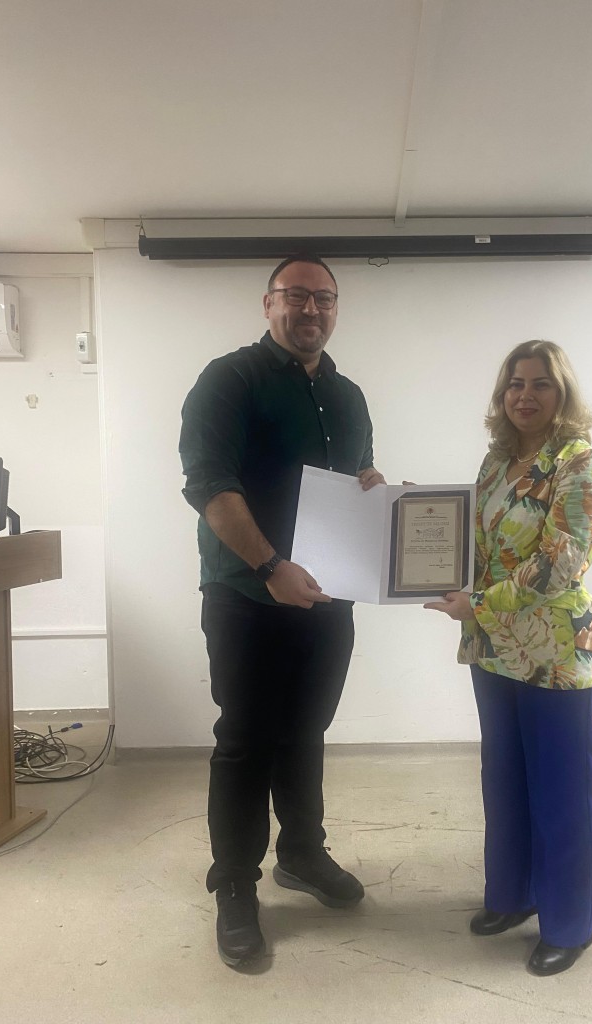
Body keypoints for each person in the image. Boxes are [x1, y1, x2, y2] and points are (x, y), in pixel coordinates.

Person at [179, 255, 385, 968]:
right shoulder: (229, 379)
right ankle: (236, 883)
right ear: (268, 303)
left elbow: (354, 480)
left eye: (324, 298)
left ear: (336, 309)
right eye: (296, 296)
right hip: (245, 594)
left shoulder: (349, 396)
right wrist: (271, 567)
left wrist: (372, 488)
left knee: (305, 731)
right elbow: (209, 485)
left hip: (327, 596)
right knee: (245, 738)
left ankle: (301, 853)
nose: (311, 310)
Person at [425, 340, 592, 977]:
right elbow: (471, 540)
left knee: (561, 791)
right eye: (514, 384)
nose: (524, 396)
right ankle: (513, 895)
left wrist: (477, 602)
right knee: (504, 780)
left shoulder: (581, 464)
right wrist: (407, 514)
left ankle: (568, 924)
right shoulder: (498, 461)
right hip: (493, 648)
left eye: (540, 384)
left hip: (554, 651)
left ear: (563, 394)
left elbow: (561, 565)